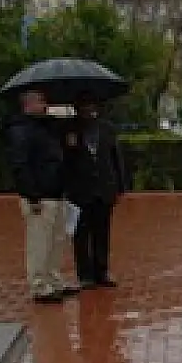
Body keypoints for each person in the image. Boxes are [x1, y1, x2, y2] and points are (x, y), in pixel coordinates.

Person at [3, 89, 74, 303]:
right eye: (41, 101)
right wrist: (31, 195)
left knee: (56, 241)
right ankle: (39, 285)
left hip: (56, 192)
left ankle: (54, 279)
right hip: (40, 196)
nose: (45, 105)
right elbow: (20, 165)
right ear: (29, 104)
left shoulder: (46, 127)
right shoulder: (21, 130)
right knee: (39, 242)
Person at [63, 98, 126, 289]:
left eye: (92, 107)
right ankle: (85, 275)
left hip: (104, 189)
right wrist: (69, 146)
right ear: (77, 109)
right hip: (80, 192)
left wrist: (120, 185)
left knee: (102, 233)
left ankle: (102, 271)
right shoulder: (69, 129)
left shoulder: (107, 128)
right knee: (81, 235)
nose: (90, 110)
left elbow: (116, 158)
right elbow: (64, 161)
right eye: (85, 107)